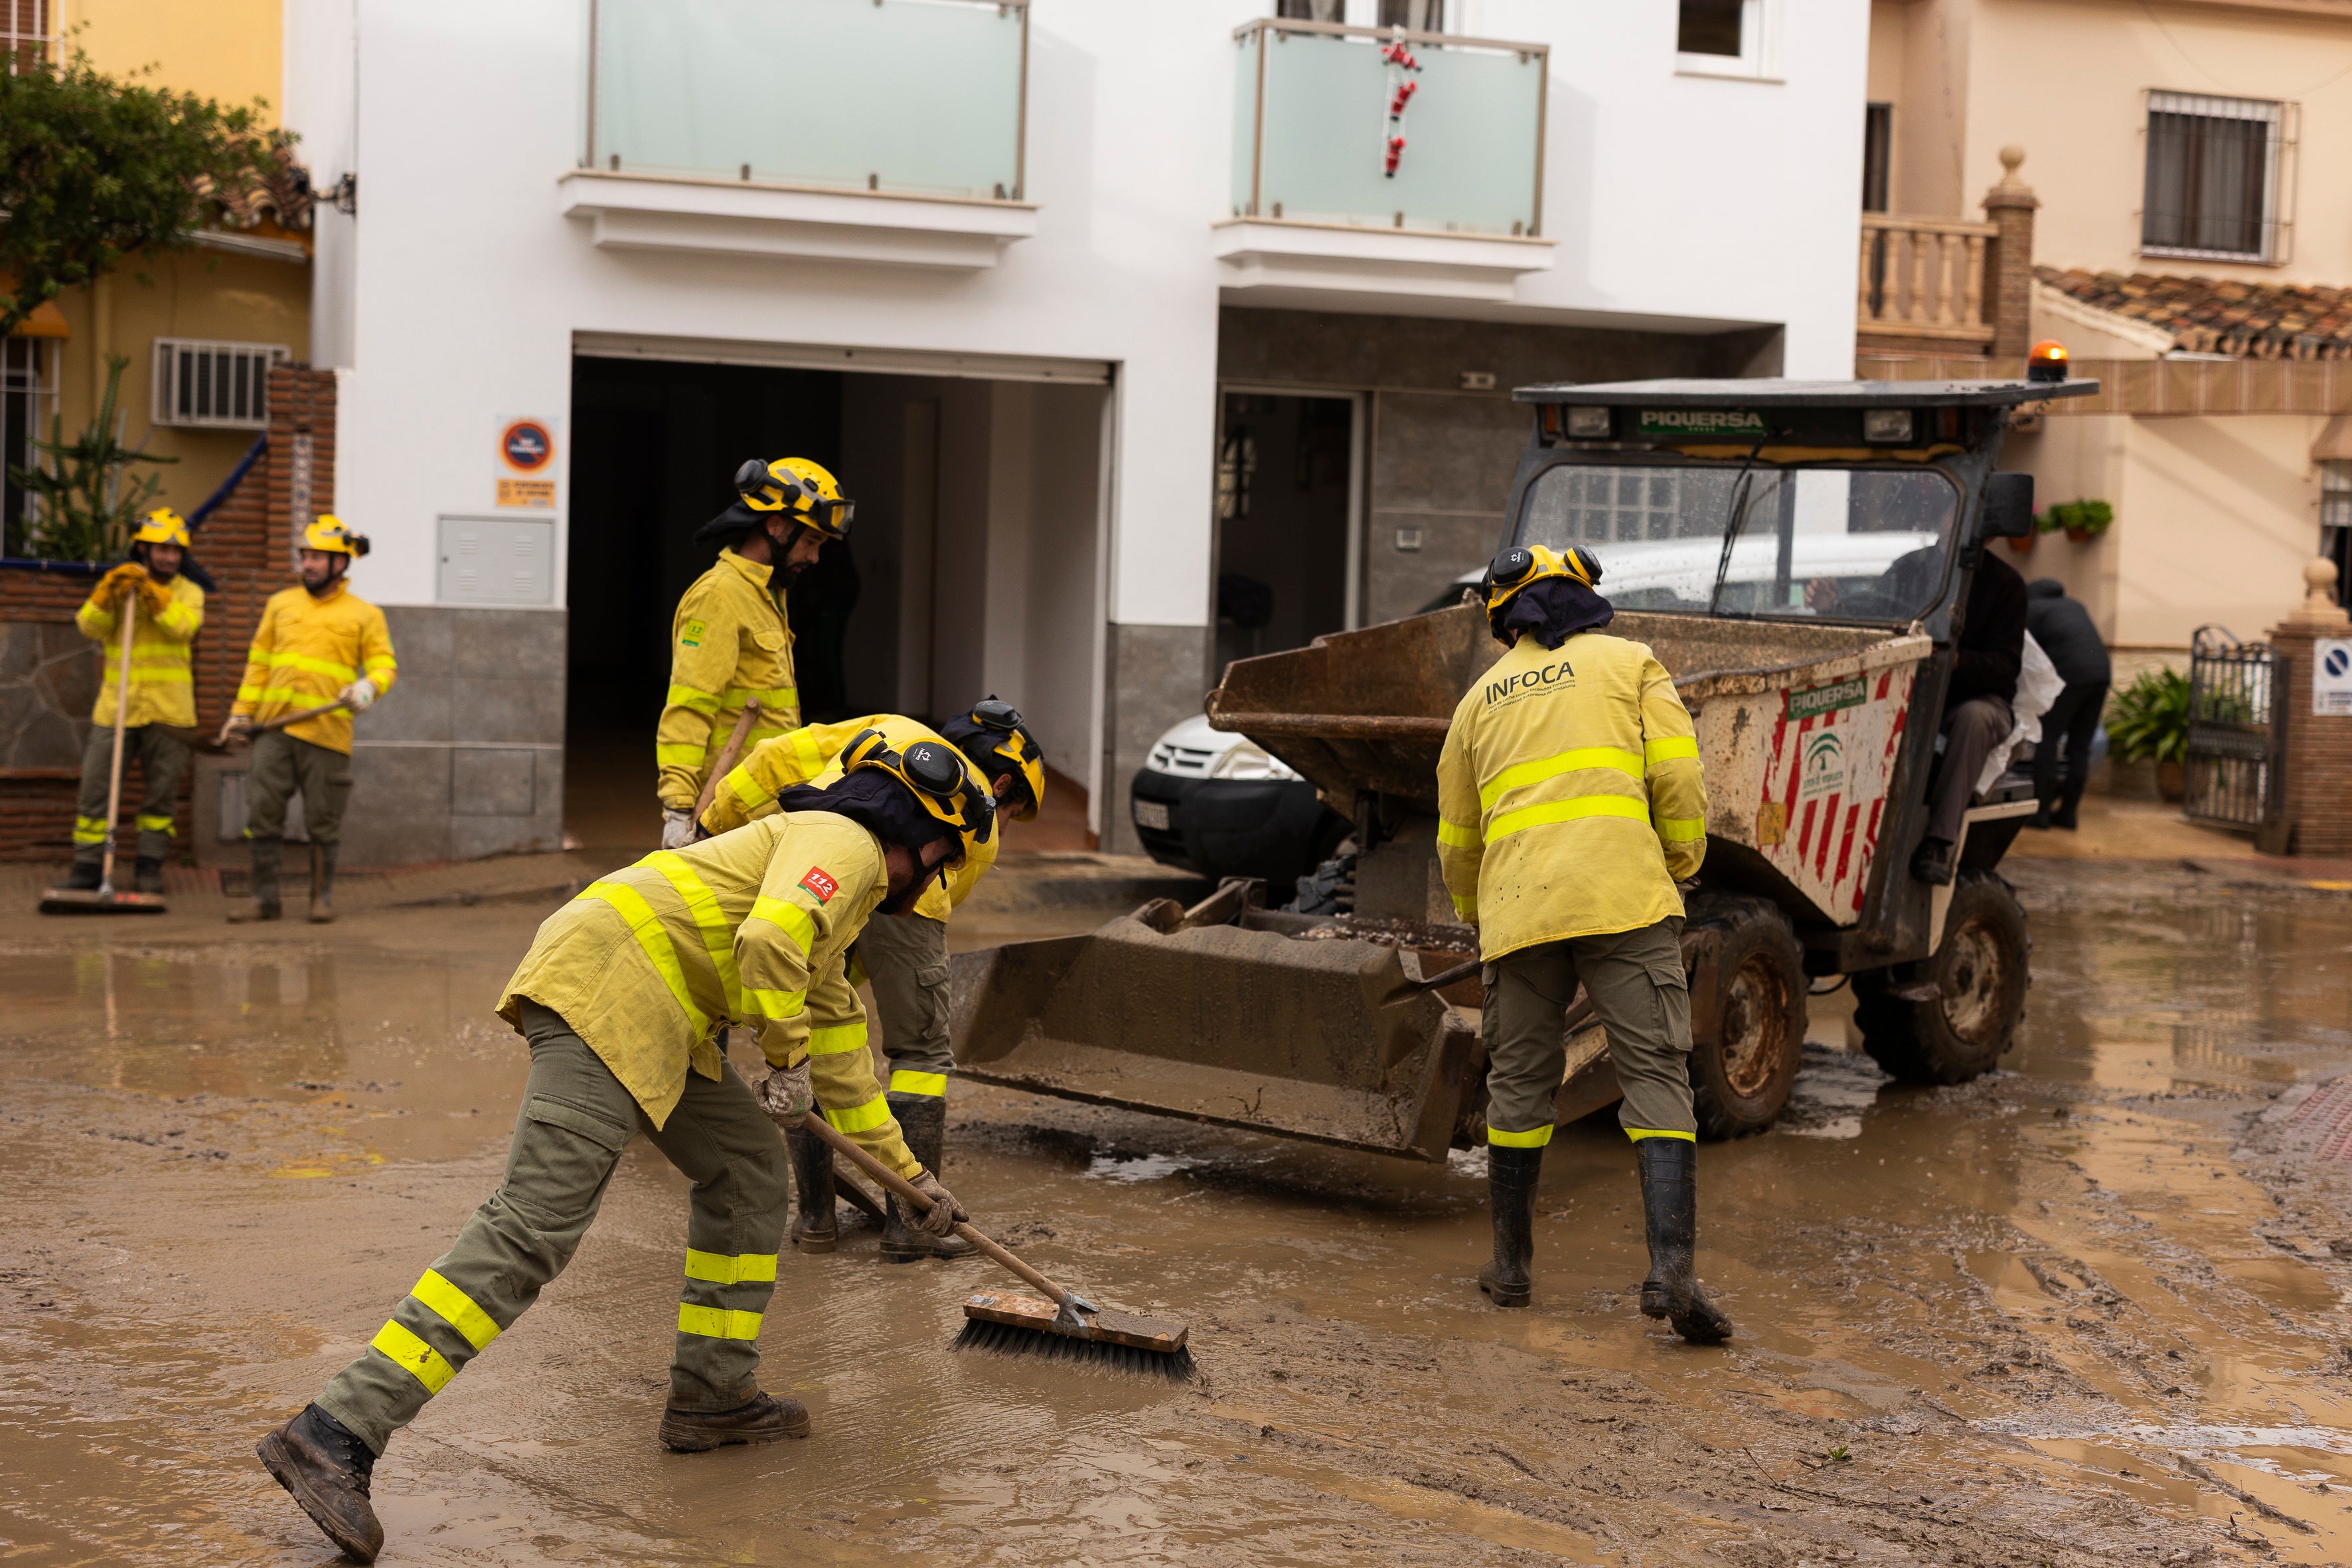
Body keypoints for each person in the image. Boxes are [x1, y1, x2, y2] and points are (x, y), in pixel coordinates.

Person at [254, 730, 993, 1565]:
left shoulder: (845, 899)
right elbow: (767, 947)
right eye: (941, 859)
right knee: (534, 1226)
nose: (933, 877)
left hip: (664, 1018)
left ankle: (713, 1394)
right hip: (609, 986)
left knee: (749, 1173)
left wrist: (910, 1179)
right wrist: (784, 1063)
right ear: (923, 831)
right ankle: (337, 1428)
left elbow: (844, 1057)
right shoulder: (847, 841)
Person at [1435, 543, 1730, 1344]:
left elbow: (1458, 841)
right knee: (1656, 1076)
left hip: (1521, 913)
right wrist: (1676, 864)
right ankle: (1671, 1271)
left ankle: (1512, 1272)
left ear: (1506, 616)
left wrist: (1481, 913)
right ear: (1584, 594)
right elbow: (1678, 781)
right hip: (1621, 897)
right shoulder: (1633, 664)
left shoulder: (1478, 701)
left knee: (1521, 1087)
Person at [700, 697, 1048, 1261]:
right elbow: (913, 904)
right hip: (897, 904)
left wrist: (707, 826)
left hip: (806, 876)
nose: (1004, 825)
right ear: (1004, 781)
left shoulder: (888, 728)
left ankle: (816, 1219)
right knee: (920, 1056)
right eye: (1015, 812)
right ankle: (909, 1224)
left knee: (809, 1036)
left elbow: (771, 757)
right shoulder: (978, 821)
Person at [656, 458, 853, 849]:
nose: (815, 558)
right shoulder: (719, 597)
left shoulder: (768, 594)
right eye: (811, 541)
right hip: (723, 810)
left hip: (763, 802)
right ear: (776, 525)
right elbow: (689, 707)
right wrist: (679, 810)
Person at [222, 516, 396, 923]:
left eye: (318, 557)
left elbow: (385, 664)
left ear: (341, 564)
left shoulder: (365, 615)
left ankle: (321, 899)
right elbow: (259, 663)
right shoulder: (281, 604)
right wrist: (240, 713)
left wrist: (367, 688)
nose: (309, 564)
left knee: (324, 819)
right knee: (262, 813)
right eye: (306, 556)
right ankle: (265, 899)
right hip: (273, 729)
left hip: (326, 733)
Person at [61, 509, 206, 896]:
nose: (169, 558)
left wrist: (153, 595)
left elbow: (184, 628)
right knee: (96, 790)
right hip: (117, 710)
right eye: (161, 550)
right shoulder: (120, 589)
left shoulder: (189, 592)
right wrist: (106, 591)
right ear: (142, 547)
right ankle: (89, 866)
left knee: (161, 795)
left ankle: (149, 867)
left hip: (170, 713)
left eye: (176, 552)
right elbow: (88, 627)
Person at [1910, 546, 2026, 884]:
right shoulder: (1911, 567)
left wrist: (1955, 660)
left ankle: (1940, 842)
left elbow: (2006, 667)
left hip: (1978, 698)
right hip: (1915, 693)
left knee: (1974, 718)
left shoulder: (2004, 583)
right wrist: (1831, 604)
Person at [2024, 579, 2110, 830]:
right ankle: (2068, 814)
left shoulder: (2033, 608)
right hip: (2101, 674)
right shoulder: (2075, 605)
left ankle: (2040, 813)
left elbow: (2025, 652)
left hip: (2071, 676)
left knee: (2047, 740)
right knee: (2079, 747)